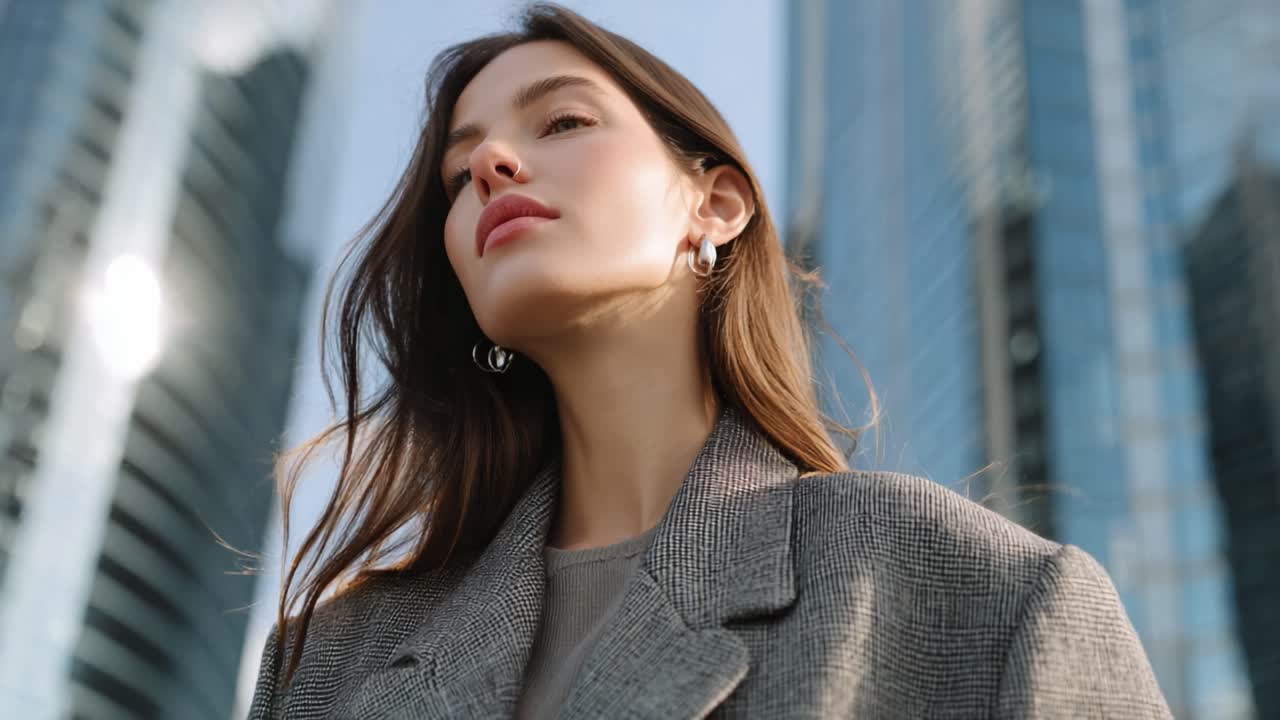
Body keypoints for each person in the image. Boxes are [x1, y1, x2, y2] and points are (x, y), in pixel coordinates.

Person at [247, 3, 1172, 718]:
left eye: (561, 122)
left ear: (715, 205)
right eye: (458, 175)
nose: (491, 160)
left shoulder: (976, 595)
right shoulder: (324, 664)